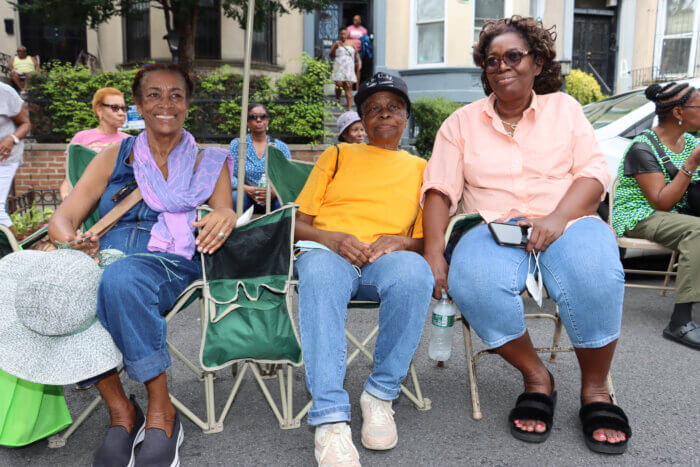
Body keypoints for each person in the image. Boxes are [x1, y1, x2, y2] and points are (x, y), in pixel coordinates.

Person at [421, 16, 631, 454]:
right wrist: (434, 252)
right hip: (490, 225)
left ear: (537, 62)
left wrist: (556, 217)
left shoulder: (565, 109)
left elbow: (593, 176)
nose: (502, 67)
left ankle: (595, 389)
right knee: (472, 281)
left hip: (568, 220)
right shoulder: (460, 124)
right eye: (492, 60)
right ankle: (537, 377)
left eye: (513, 56)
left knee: (596, 273)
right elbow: (439, 189)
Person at [48, 63, 236, 466]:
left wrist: (227, 215)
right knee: (68, 288)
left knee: (121, 278)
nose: (165, 103)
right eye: (153, 94)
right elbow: (62, 219)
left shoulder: (210, 161)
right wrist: (73, 244)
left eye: (175, 95)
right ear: (138, 104)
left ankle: (161, 412)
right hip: (105, 257)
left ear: (188, 105)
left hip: (170, 263)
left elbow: (223, 211)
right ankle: (121, 412)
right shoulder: (115, 157)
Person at [294, 72, 433, 466]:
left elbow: (427, 240)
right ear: (362, 120)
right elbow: (297, 224)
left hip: (385, 259)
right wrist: (334, 239)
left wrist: (402, 242)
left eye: (393, 108)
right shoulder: (337, 156)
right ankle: (330, 421)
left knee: (414, 273)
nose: (384, 115)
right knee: (318, 275)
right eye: (373, 109)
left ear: (407, 117)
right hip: (329, 251)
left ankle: (380, 394)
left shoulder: (422, 168)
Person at [611, 82, 700, 350]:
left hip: (677, 215)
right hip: (640, 215)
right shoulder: (643, 147)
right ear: (679, 112)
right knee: (697, 231)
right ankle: (680, 322)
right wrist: (692, 163)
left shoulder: (691, 141)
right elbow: (661, 201)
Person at [59, 87, 131, 200]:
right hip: (85, 200)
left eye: (123, 108)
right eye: (115, 108)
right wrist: (65, 195)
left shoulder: (130, 141)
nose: (121, 113)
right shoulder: (82, 138)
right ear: (99, 110)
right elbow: (70, 175)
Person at [228, 103, 291, 212]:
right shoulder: (238, 145)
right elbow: (228, 174)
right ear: (247, 122)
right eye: (253, 117)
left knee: (285, 201)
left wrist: (274, 192)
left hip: (273, 197)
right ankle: (236, 228)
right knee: (235, 197)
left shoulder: (280, 147)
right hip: (246, 194)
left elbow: (288, 177)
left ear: (267, 120)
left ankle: (280, 228)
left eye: (263, 116)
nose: (258, 120)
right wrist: (246, 189)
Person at [0, 82, 31, 231]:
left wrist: (11, 138)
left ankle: (13, 251)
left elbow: (25, 124)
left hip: (5, 158)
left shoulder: (4, 92)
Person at [330, 28, 361, 111]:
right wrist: (334, 48)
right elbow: (331, 55)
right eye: (341, 34)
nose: (343, 35)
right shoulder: (337, 43)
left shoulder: (351, 43)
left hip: (348, 67)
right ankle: (337, 99)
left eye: (344, 33)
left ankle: (350, 108)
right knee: (339, 84)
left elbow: (356, 54)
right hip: (339, 66)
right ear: (339, 35)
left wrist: (359, 62)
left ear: (347, 34)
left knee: (348, 86)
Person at [346, 15, 368, 89]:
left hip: (359, 52)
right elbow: (346, 39)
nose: (355, 21)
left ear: (360, 20)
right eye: (354, 19)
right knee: (350, 69)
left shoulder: (363, 30)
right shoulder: (349, 29)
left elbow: (366, 41)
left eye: (357, 20)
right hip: (350, 52)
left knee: (358, 69)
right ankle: (351, 87)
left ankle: (357, 87)